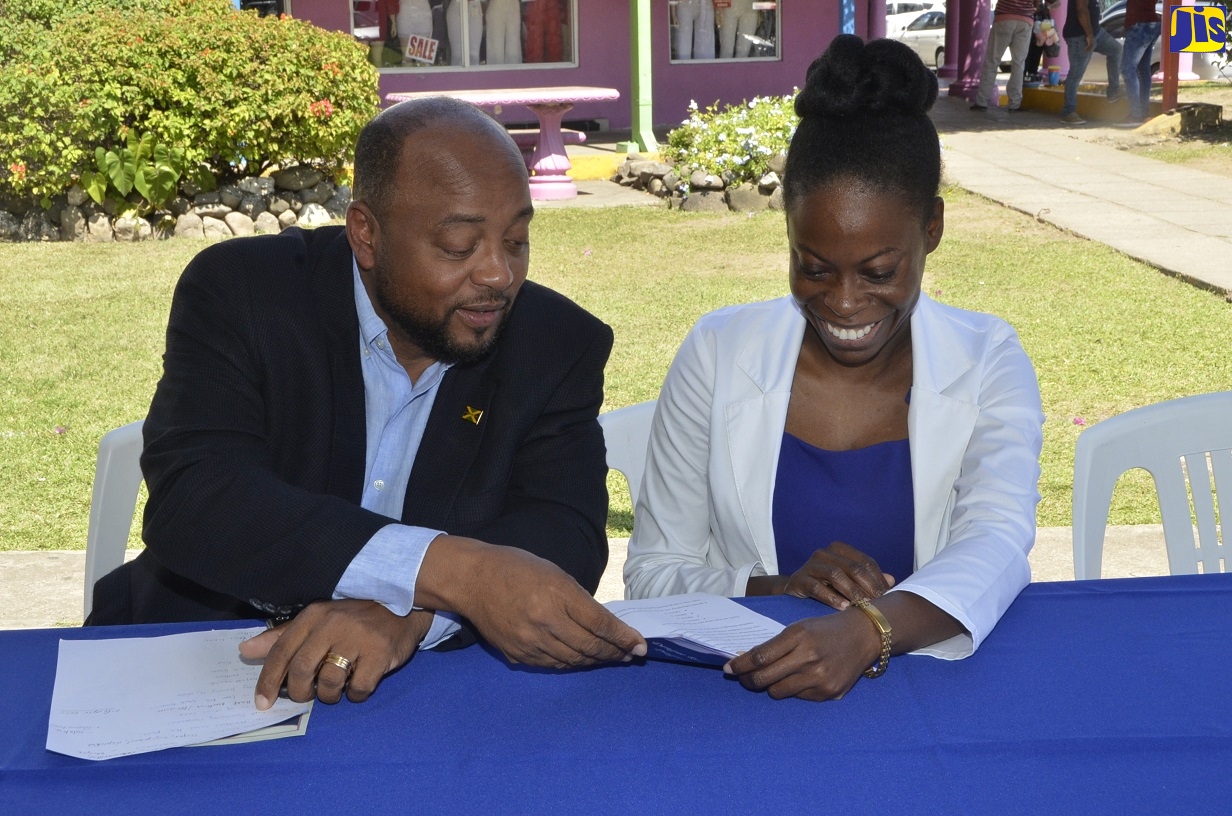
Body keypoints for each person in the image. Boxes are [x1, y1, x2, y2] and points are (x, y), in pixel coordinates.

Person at [88, 97, 646, 708]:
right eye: (460, 245)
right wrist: (454, 573)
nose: (498, 274)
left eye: (516, 239)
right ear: (366, 234)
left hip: (414, 696)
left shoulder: (555, 342)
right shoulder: (244, 292)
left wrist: (411, 614)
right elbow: (200, 499)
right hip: (192, 653)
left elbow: (566, 532)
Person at [624, 35, 1044, 702]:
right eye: (813, 268)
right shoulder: (718, 352)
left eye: (879, 271)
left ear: (930, 228)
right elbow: (651, 576)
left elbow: (995, 546)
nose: (844, 304)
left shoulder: (987, 359)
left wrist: (867, 631)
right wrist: (777, 587)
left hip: (927, 698)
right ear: (788, 235)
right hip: (749, 699)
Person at [1059, 0, 1123, 125]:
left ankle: (1113, 91)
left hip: (1096, 32)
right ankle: (1068, 112)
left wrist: (1093, 33)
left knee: (1116, 50)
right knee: (1076, 73)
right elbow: (1081, 9)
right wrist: (1089, 35)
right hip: (1080, 35)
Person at [971, 0, 1037, 112]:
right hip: (1025, 20)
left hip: (1004, 18)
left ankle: (982, 101)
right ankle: (1014, 103)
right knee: (1019, 63)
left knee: (992, 61)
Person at [1118, 0, 1161, 126]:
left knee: (1127, 69)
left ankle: (1136, 114)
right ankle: (1143, 112)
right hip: (1149, 24)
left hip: (1139, 25)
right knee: (1143, 70)